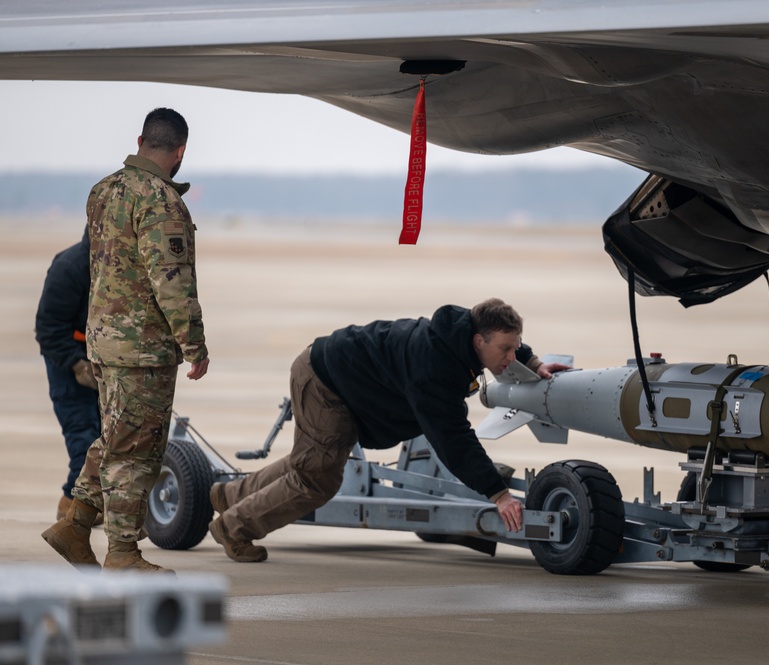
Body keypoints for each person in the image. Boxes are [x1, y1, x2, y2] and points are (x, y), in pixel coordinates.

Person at [208, 298, 568, 563]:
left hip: (337, 377)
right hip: (326, 383)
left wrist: (532, 362)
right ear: (479, 342)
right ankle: (233, 528)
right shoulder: (435, 369)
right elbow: (453, 439)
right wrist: (498, 494)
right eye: (505, 350)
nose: (510, 356)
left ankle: (229, 496)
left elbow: (506, 343)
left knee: (313, 460)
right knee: (317, 479)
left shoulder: (462, 328)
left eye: (515, 348)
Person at [41, 108, 210, 573]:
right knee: (137, 450)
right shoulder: (162, 202)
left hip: (104, 343)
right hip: (143, 348)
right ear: (180, 152)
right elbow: (171, 280)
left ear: (140, 140)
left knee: (115, 437)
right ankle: (122, 553)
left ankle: (75, 524)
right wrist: (194, 345)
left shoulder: (103, 191)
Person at [34, 227, 103, 523]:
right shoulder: (70, 266)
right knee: (84, 439)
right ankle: (71, 510)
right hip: (67, 361)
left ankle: (87, 506)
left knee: (106, 440)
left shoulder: (121, 266)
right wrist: (77, 364)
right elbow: (48, 328)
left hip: (105, 358)